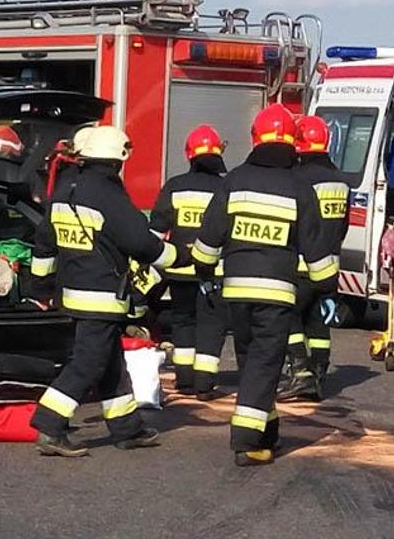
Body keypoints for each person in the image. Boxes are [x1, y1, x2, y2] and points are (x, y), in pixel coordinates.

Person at [192, 104, 338, 466]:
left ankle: (267, 430)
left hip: (235, 293)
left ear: (255, 139)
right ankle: (246, 442)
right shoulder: (299, 186)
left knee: (252, 362)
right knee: (264, 364)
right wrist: (325, 285)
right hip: (275, 295)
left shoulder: (235, 180)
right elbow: (316, 247)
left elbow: (209, 239)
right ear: (293, 142)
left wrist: (205, 269)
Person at [27, 125, 182, 457]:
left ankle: (128, 429)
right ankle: (50, 424)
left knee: (110, 362)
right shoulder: (107, 193)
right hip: (102, 294)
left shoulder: (67, 187)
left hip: (73, 292)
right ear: (116, 160)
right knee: (87, 363)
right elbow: (139, 240)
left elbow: (44, 244)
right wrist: (178, 257)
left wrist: (40, 286)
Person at [149, 124, 230, 399]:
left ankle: (184, 379)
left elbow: (156, 233)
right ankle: (205, 384)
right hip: (214, 271)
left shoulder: (175, 186)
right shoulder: (225, 187)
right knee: (211, 325)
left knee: (183, 321)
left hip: (179, 270)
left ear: (189, 155)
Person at [278, 114, 349, 401]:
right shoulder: (341, 182)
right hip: (330, 266)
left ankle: (301, 372)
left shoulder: (298, 180)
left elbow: (295, 224)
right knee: (318, 321)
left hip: (301, 265)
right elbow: (342, 227)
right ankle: (319, 374)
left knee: (289, 317)